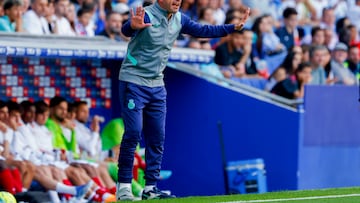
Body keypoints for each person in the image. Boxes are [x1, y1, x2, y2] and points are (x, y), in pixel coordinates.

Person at [116, 0, 250, 201]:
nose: (177, 0)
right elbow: (127, 29)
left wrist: (233, 27)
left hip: (157, 85)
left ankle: (150, 188)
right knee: (134, 132)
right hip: (133, 82)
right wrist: (130, 27)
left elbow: (203, 30)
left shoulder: (179, 18)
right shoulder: (146, 14)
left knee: (157, 137)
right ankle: (124, 188)